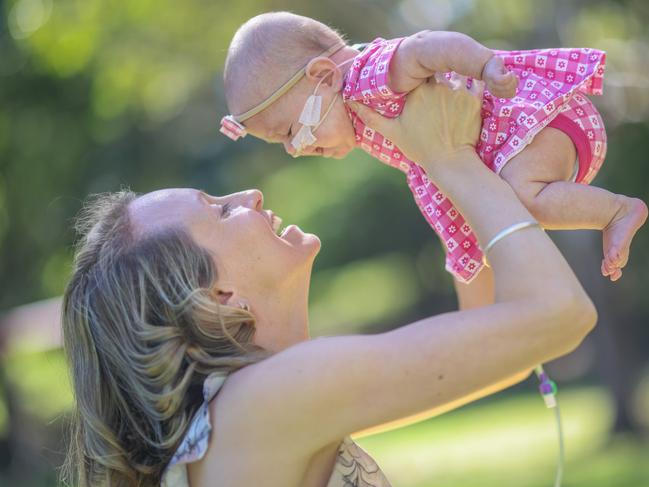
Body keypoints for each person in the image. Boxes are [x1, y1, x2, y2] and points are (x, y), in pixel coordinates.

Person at [61, 81, 597, 487]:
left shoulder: (251, 409)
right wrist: (449, 157)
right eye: (221, 211)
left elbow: (501, 339)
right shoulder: (272, 396)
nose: (248, 195)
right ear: (217, 299)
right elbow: (556, 314)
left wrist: (441, 169)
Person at [219, 11, 647, 285]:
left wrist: (484, 65)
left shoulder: (368, 76)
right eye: (283, 144)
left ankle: (616, 210)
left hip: (540, 121)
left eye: (293, 130)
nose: (296, 149)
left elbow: (426, 48)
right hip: (524, 144)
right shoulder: (354, 107)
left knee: (520, 201)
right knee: (506, 211)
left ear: (324, 76)